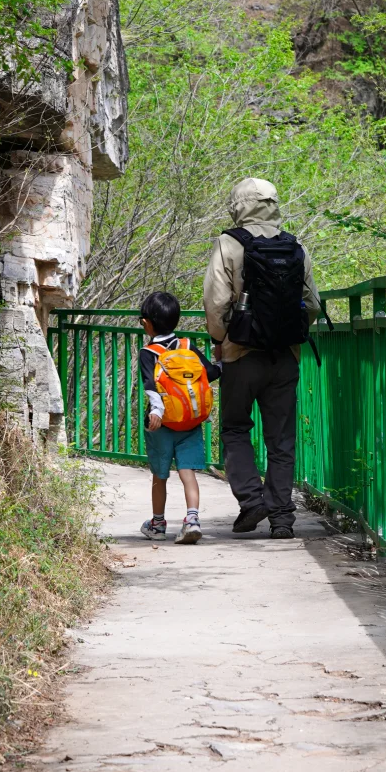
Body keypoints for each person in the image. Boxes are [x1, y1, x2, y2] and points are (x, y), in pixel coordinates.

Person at [203, 178, 320, 539]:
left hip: (240, 355)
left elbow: (216, 302)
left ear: (238, 205)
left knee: (236, 429)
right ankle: (282, 518)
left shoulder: (229, 244)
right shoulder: (295, 245)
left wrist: (221, 339)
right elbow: (313, 304)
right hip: (285, 357)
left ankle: (252, 501)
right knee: (281, 440)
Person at [138, 290, 222, 544]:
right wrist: (222, 363)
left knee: (159, 474)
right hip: (191, 421)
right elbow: (211, 374)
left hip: (161, 424)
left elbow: (150, 385)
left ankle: (158, 523)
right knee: (188, 472)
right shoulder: (187, 346)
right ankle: (192, 519)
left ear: (147, 323)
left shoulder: (148, 352)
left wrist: (156, 412)